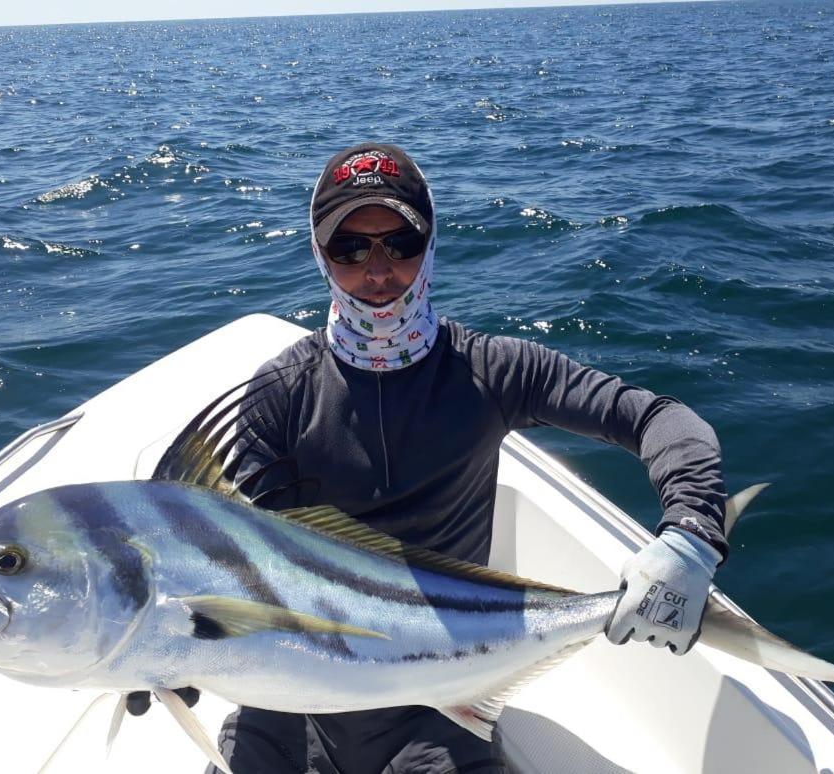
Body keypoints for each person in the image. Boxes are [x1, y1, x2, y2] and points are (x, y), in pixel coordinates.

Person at [207, 143, 728, 774]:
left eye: (400, 243)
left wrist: (692, 534)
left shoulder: (491, 370)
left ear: (431, 246)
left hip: (442, 692)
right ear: (321, 256)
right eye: (350, 248)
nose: (378, 270)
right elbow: (248, 566)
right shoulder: (278, 393)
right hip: (294, 687)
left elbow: (660, 419)